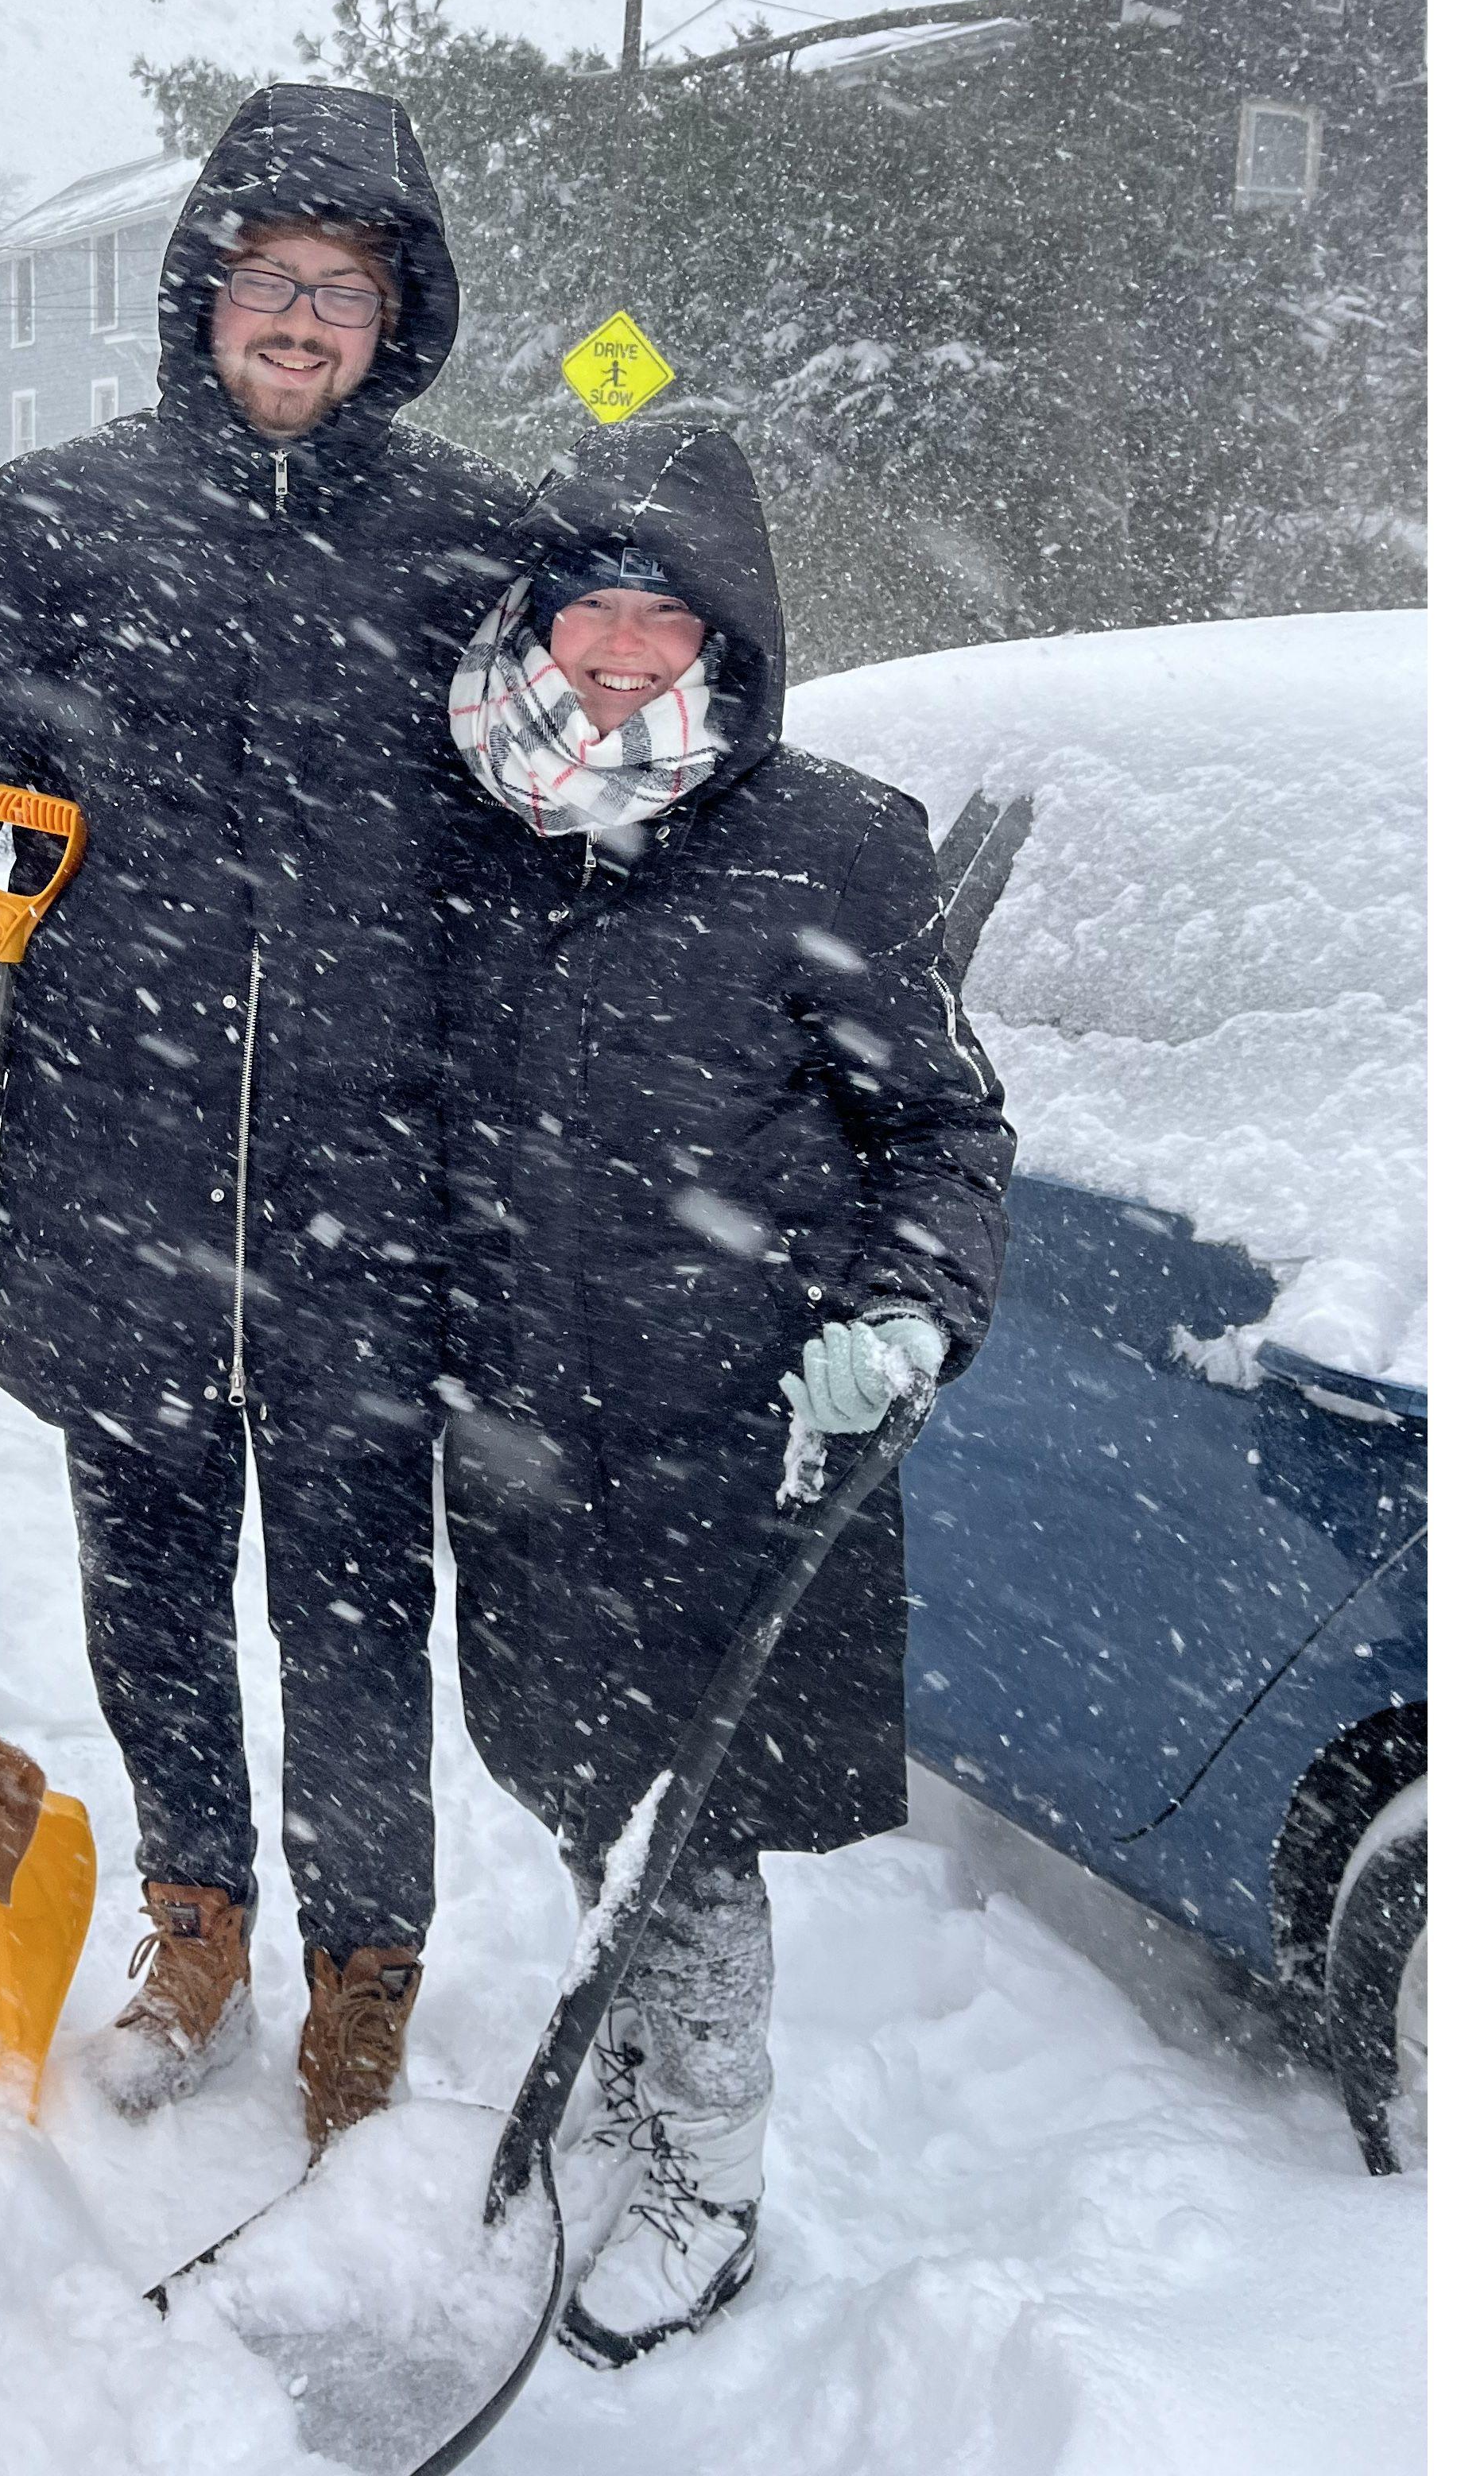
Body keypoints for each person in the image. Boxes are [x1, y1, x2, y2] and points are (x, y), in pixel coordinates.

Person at [0, 85, 518, 2151]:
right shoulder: (59, 522)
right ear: (205, 289)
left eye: (346, 287)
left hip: (367, 1202)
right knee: (148, 1594)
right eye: (272, 278)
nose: (302, 318)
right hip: (114, 1188)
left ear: (393, 319)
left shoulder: (474, 547)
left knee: (353, 1612)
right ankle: (199, 1917)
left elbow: (576, 818)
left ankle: (371, 1969)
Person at [437, 417, 1014, 2365]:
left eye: (665, 610)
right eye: (589, 594)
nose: (619, 641)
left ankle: (708, 2172)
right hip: (520, 1427)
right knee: (580, 1783)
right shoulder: (485, 819)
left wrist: (908, 1310)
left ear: (730, 638)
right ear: (538, 611)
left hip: (735, 1438)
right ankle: (626, 2058)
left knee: (700, 1815)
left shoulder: (831, 838)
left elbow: (941, 1132)